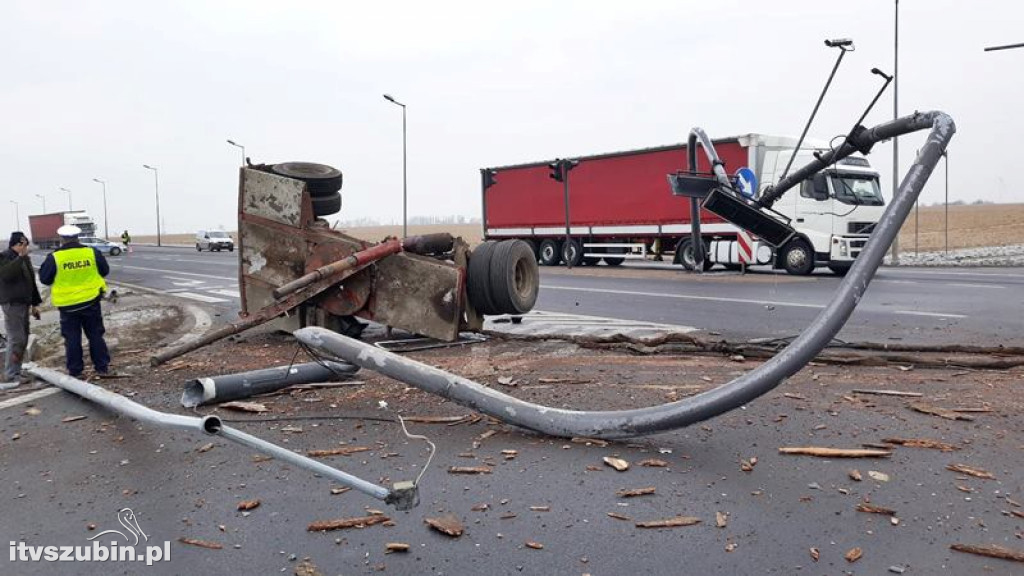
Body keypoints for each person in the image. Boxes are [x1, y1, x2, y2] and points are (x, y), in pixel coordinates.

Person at [39, 225, 113, 378]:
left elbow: (45, 279)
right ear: (78, 237)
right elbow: (104, 270)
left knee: (72, 338)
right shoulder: (91, 252)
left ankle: (75, 370)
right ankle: (102, 367)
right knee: (95, 335)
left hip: (68, 306)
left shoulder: (55, 257)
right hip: (90, 302)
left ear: (62, 239)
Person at [0, 232, 42, 387]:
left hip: (24, 304)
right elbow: (6, 275)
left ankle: (16, 371)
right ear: (16, 244)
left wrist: (35, 304)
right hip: (12, 305)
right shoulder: (4, 257)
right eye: (23, 245)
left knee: (23, 338)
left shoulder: (25, 259)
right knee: (16, 338)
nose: (26, 248)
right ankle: (11, 375)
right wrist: (21, 258)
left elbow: (31, 281)